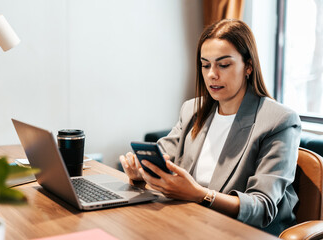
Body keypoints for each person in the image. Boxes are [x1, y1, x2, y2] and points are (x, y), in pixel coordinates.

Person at [119, 19, 301, 236]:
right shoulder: (192, 110)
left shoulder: (279, 120)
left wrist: (200, 194)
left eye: (223, 65)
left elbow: (263, 208)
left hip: (241, 232)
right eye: (205, 65)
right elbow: (163, 158)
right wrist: (141, 172)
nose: (212, 74)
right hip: (189, 223)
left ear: (248, 66)